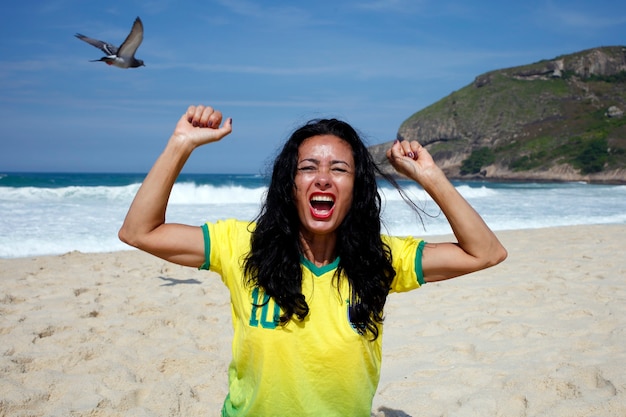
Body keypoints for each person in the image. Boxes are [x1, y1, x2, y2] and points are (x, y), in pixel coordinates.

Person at [119, 104, 507, 416]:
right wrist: (180, 144)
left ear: (357, 189)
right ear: (290, 186)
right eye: (308, 168)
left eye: (339, 169)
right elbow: (140, 232)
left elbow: (486, 253)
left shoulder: (382, 259)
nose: (322, 179)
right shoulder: (240, 245)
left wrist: (430, 176)